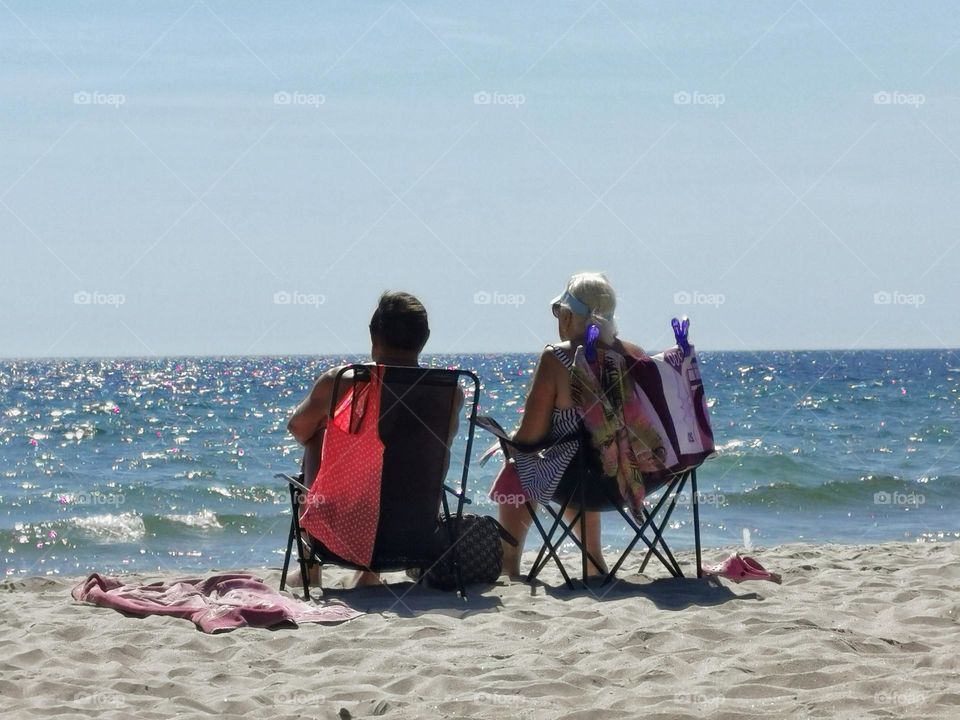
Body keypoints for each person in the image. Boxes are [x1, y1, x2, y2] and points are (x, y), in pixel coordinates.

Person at [490, 272, 664, 577]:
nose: (558, 319)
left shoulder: (556, 358)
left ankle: (508, 565)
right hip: (633, 480)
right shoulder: (633, 354)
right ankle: (592, 562)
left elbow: (530, 438)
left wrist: (508, 441)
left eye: (560, 312)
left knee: (519, 462)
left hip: (580, 483)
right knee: (584, 457)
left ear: (569, 317)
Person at [287, 290, 462, 587]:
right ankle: (370, 575)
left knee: (316, 433)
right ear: (426, 336)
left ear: (373, 334)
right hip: (416, 537)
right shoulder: (449, 392)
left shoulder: (341, 381)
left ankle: (310, 563)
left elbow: (298, 428)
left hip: (341, 541)